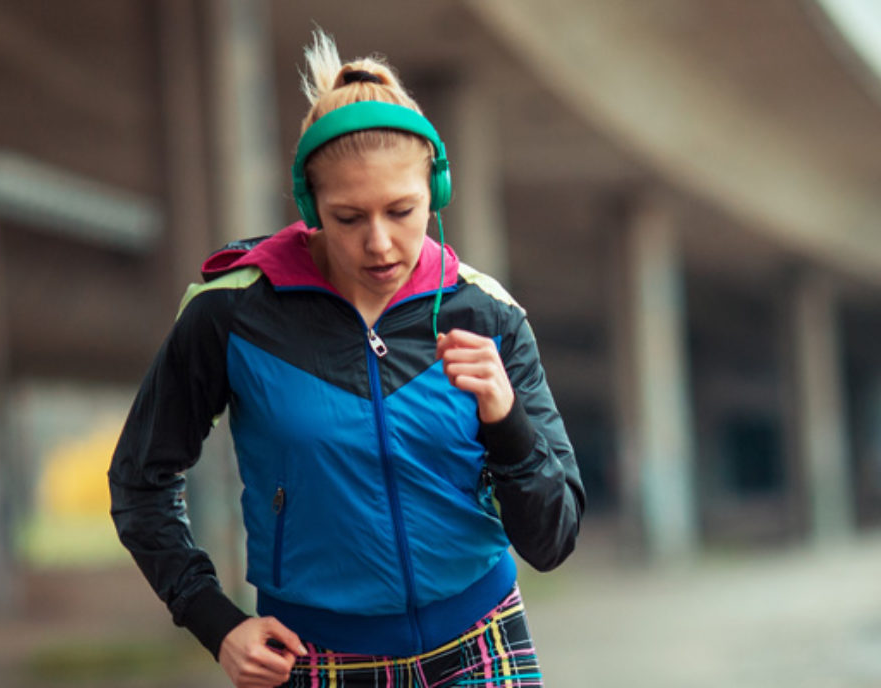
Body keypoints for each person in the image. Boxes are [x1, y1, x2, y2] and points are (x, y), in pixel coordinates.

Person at [109, 30, 584, 688]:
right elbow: (140, 481)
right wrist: (214, 620)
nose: (380, 243)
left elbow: (552, 541)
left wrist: (507, 420)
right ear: (310, 207)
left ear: (437, 192)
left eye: (402, 210)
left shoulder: (487, 314)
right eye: (349, 217)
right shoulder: (234, 314)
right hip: (314, 656)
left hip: (482, 642)